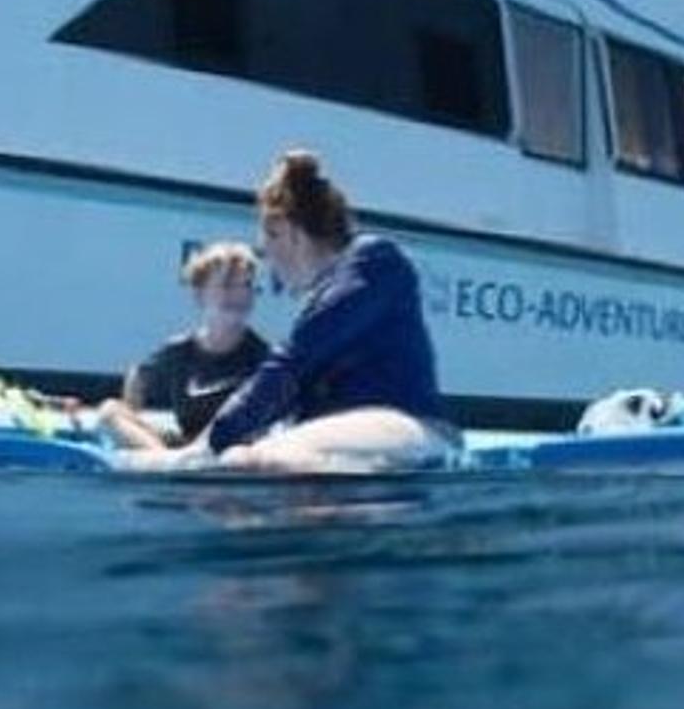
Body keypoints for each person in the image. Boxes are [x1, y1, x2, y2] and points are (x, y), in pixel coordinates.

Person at [196, 150, 457, 472]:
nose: (270, 269)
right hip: (346, 441)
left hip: (413, 429)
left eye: (266, 252)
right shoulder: (322, 299)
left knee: (258, 460)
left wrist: (203, 447)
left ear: (286, 231)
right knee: (240, 458)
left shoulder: (376, 260)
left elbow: (291, 364)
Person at [97, 242, 270, 451]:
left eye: (247, 285)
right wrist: (133, 411)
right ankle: (165, 466)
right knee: (110, 410)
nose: (239, 295)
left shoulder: (265, 358)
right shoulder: (178, 352)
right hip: (186, 453)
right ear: (199, 294)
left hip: (235, 456)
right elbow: (139, 374)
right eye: (227, 285)